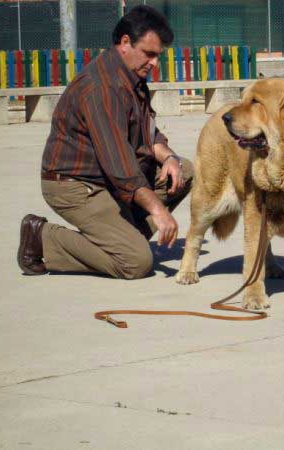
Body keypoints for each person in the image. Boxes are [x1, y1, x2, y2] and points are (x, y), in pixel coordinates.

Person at [17, 5, 193, 278]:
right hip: (75, 185)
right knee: (136, 263)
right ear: (125, 43)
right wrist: (157, 210)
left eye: (158, 56)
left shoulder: (132, 77)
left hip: (106, 181)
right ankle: (43, 238)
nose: (155, 63)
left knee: (185, 171)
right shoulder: (101, 87)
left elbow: (149, 133)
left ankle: (121, 237)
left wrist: (169, 158)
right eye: (149, 54)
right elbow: (119, 164)